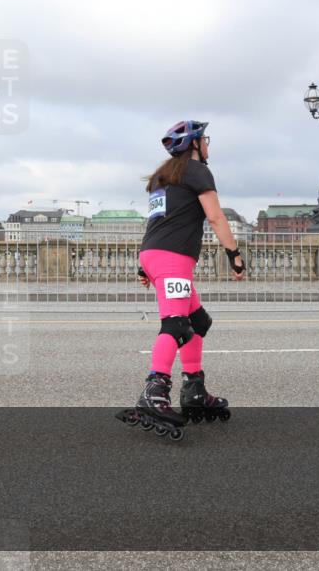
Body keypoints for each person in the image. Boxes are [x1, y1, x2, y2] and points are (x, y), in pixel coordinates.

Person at [128, 120, 245, 435]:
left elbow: (158, 221)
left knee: (197, 323)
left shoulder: (163, 178)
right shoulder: (197, 172)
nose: (207, 145)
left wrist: (144, 265)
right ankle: (154, 391)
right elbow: (216, 216)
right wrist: (234, 255)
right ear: (194, 144)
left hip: (155, 254)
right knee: (177, 325)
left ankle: (194, 391)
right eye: (205, 139)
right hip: (173, 258)